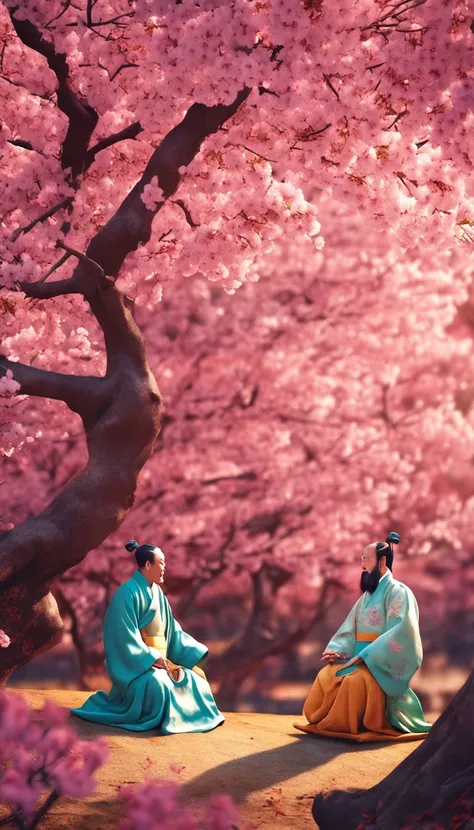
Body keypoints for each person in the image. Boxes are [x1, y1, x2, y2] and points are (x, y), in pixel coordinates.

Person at [71, 540, 224, 734]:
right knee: (159, 686)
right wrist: (152, 658)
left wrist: (192, 653)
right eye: (161, 563)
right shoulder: (126, 594)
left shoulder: (158, 594)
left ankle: (194, 719)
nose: (164, 568)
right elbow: (124, 638)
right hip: (138, 668)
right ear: (148, 565)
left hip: (163, 661)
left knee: (197, 678)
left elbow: (173, 631)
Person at [294, 532, 431, 742]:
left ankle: (347, 726)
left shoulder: (399, 592)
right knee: (327, 674)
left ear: (382, 561)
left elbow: (402, 631)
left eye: (365, 559)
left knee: (352, 682)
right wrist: (338, 649)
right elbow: (350, 628)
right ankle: (324, 722)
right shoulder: (366, 598)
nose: (362, 565)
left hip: (379, 666)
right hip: (358, 659)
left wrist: (367, 655)